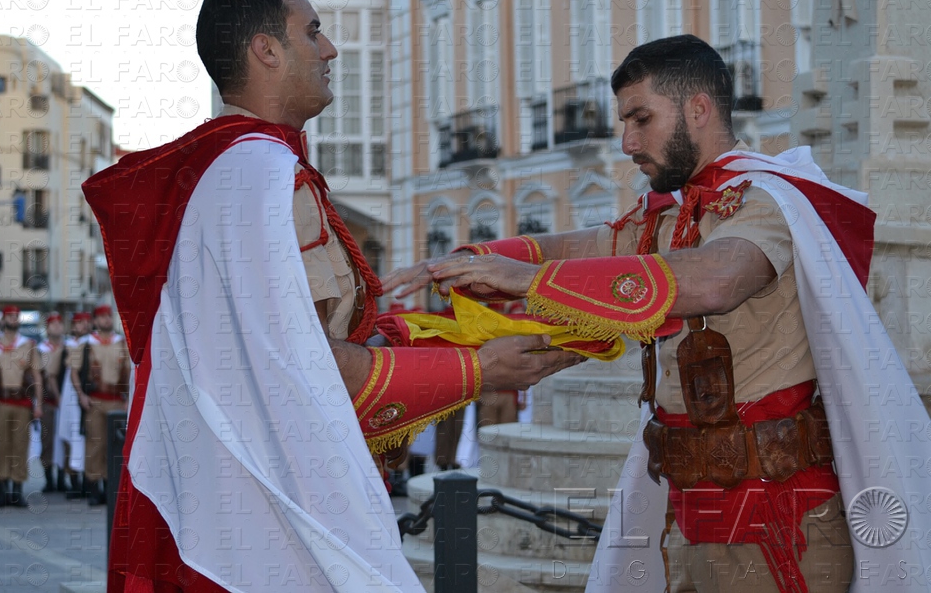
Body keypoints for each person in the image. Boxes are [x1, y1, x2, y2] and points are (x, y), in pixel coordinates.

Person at [82, 0, 581, 592]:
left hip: (229, 497)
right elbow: (305, 366)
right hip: (267, 514)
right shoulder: (265, 176)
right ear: (266, 50)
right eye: (312, 31)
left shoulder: (226, 171)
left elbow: (278, 349)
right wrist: (482, 368)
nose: (331, 50)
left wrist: (437, 325)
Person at [383, 35, 931, 593]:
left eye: (641, 119)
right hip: (685, 509)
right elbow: (580, 246)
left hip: (778, 513)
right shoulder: (667, 213)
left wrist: (527, 282)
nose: (627, 141)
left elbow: (718, 278)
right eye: (625, 122)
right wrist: (468, 260)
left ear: (698, 108)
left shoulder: (766, 200)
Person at [0, 305, 42, 508]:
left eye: (16, 316)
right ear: (3, 319)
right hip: (0, 401)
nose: (13, 319)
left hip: (22, 401)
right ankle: (2, 491)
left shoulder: (28, 345)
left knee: (20, 445)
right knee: (0, 446)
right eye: (10, 316)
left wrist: (38, 404)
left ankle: (17, 490)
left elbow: (36, 376)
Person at [72, 304, 129, 506]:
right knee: (95, 444)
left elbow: (130, 374)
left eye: (108, 316)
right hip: (94, 399)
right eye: (102, 317)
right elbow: (74, 372)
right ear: (95, 321)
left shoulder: (122, 343)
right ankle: (94, 488)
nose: (106, 320)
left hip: (115, 399)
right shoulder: (86, 344)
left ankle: (110, 486)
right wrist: (81, 395)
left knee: (113, 446)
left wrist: (128, 399)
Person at [58, 311, 91, 499]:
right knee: (70, 439)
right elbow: (56, 373)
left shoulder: (92, 345)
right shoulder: (67, 346)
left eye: (86, 322)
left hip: (86, 397)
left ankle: (89, 482)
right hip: (69, 398)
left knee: (88, 440)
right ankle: (74, 482)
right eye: (79, 323)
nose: (83, 326)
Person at [37, 312, 67, 493]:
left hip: (67, 403)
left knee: (63, 440)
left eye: (59, 323)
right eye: (53, 324)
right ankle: (49, 479)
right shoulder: (41, 350)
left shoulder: (70, 348)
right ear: (47, 328)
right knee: (47, 441)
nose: (57, 327)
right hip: (49, 402)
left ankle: (63, 478)